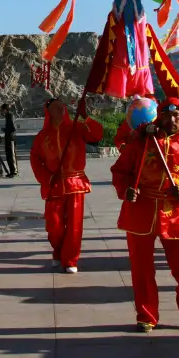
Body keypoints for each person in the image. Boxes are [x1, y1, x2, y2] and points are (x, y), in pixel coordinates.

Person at [111, 98, 179, 330]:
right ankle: (146, 316)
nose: (172, 120)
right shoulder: (140, 143)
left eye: (177, 116)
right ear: (159, 117)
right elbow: (120, 171)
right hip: (140, 210)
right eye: (166, 115)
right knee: (141, 268)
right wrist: (126, 190)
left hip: (174, 212)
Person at [77, 0, 173, 98]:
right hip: (120, 12)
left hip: (137, 12)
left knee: (140, 45)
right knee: (121, 46)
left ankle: (139, 84)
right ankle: (124, 82)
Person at [30, 98, 103, 273]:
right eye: (56, 109)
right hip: (54, 183)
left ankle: (70, 259)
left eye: (62, 108)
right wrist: (46, 178)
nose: (60, 111)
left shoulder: (75, 129)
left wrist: (86, 117)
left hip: (75, 182)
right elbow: (35, 160)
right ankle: (58, 250)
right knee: (54, 224)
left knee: (74, 225)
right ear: (49, 112)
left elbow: (96, 135)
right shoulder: (43, 136)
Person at [0, 103, 19, 178]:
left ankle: (14, 171)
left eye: (2, 110)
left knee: (11, 155)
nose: (1, 112)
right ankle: (11, 171)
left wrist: (5, 130)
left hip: (11, 138)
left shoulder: (10, 116)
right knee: (8, 155)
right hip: (7, 137)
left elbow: (13, 128)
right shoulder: (7, 116)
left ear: (5, 110)